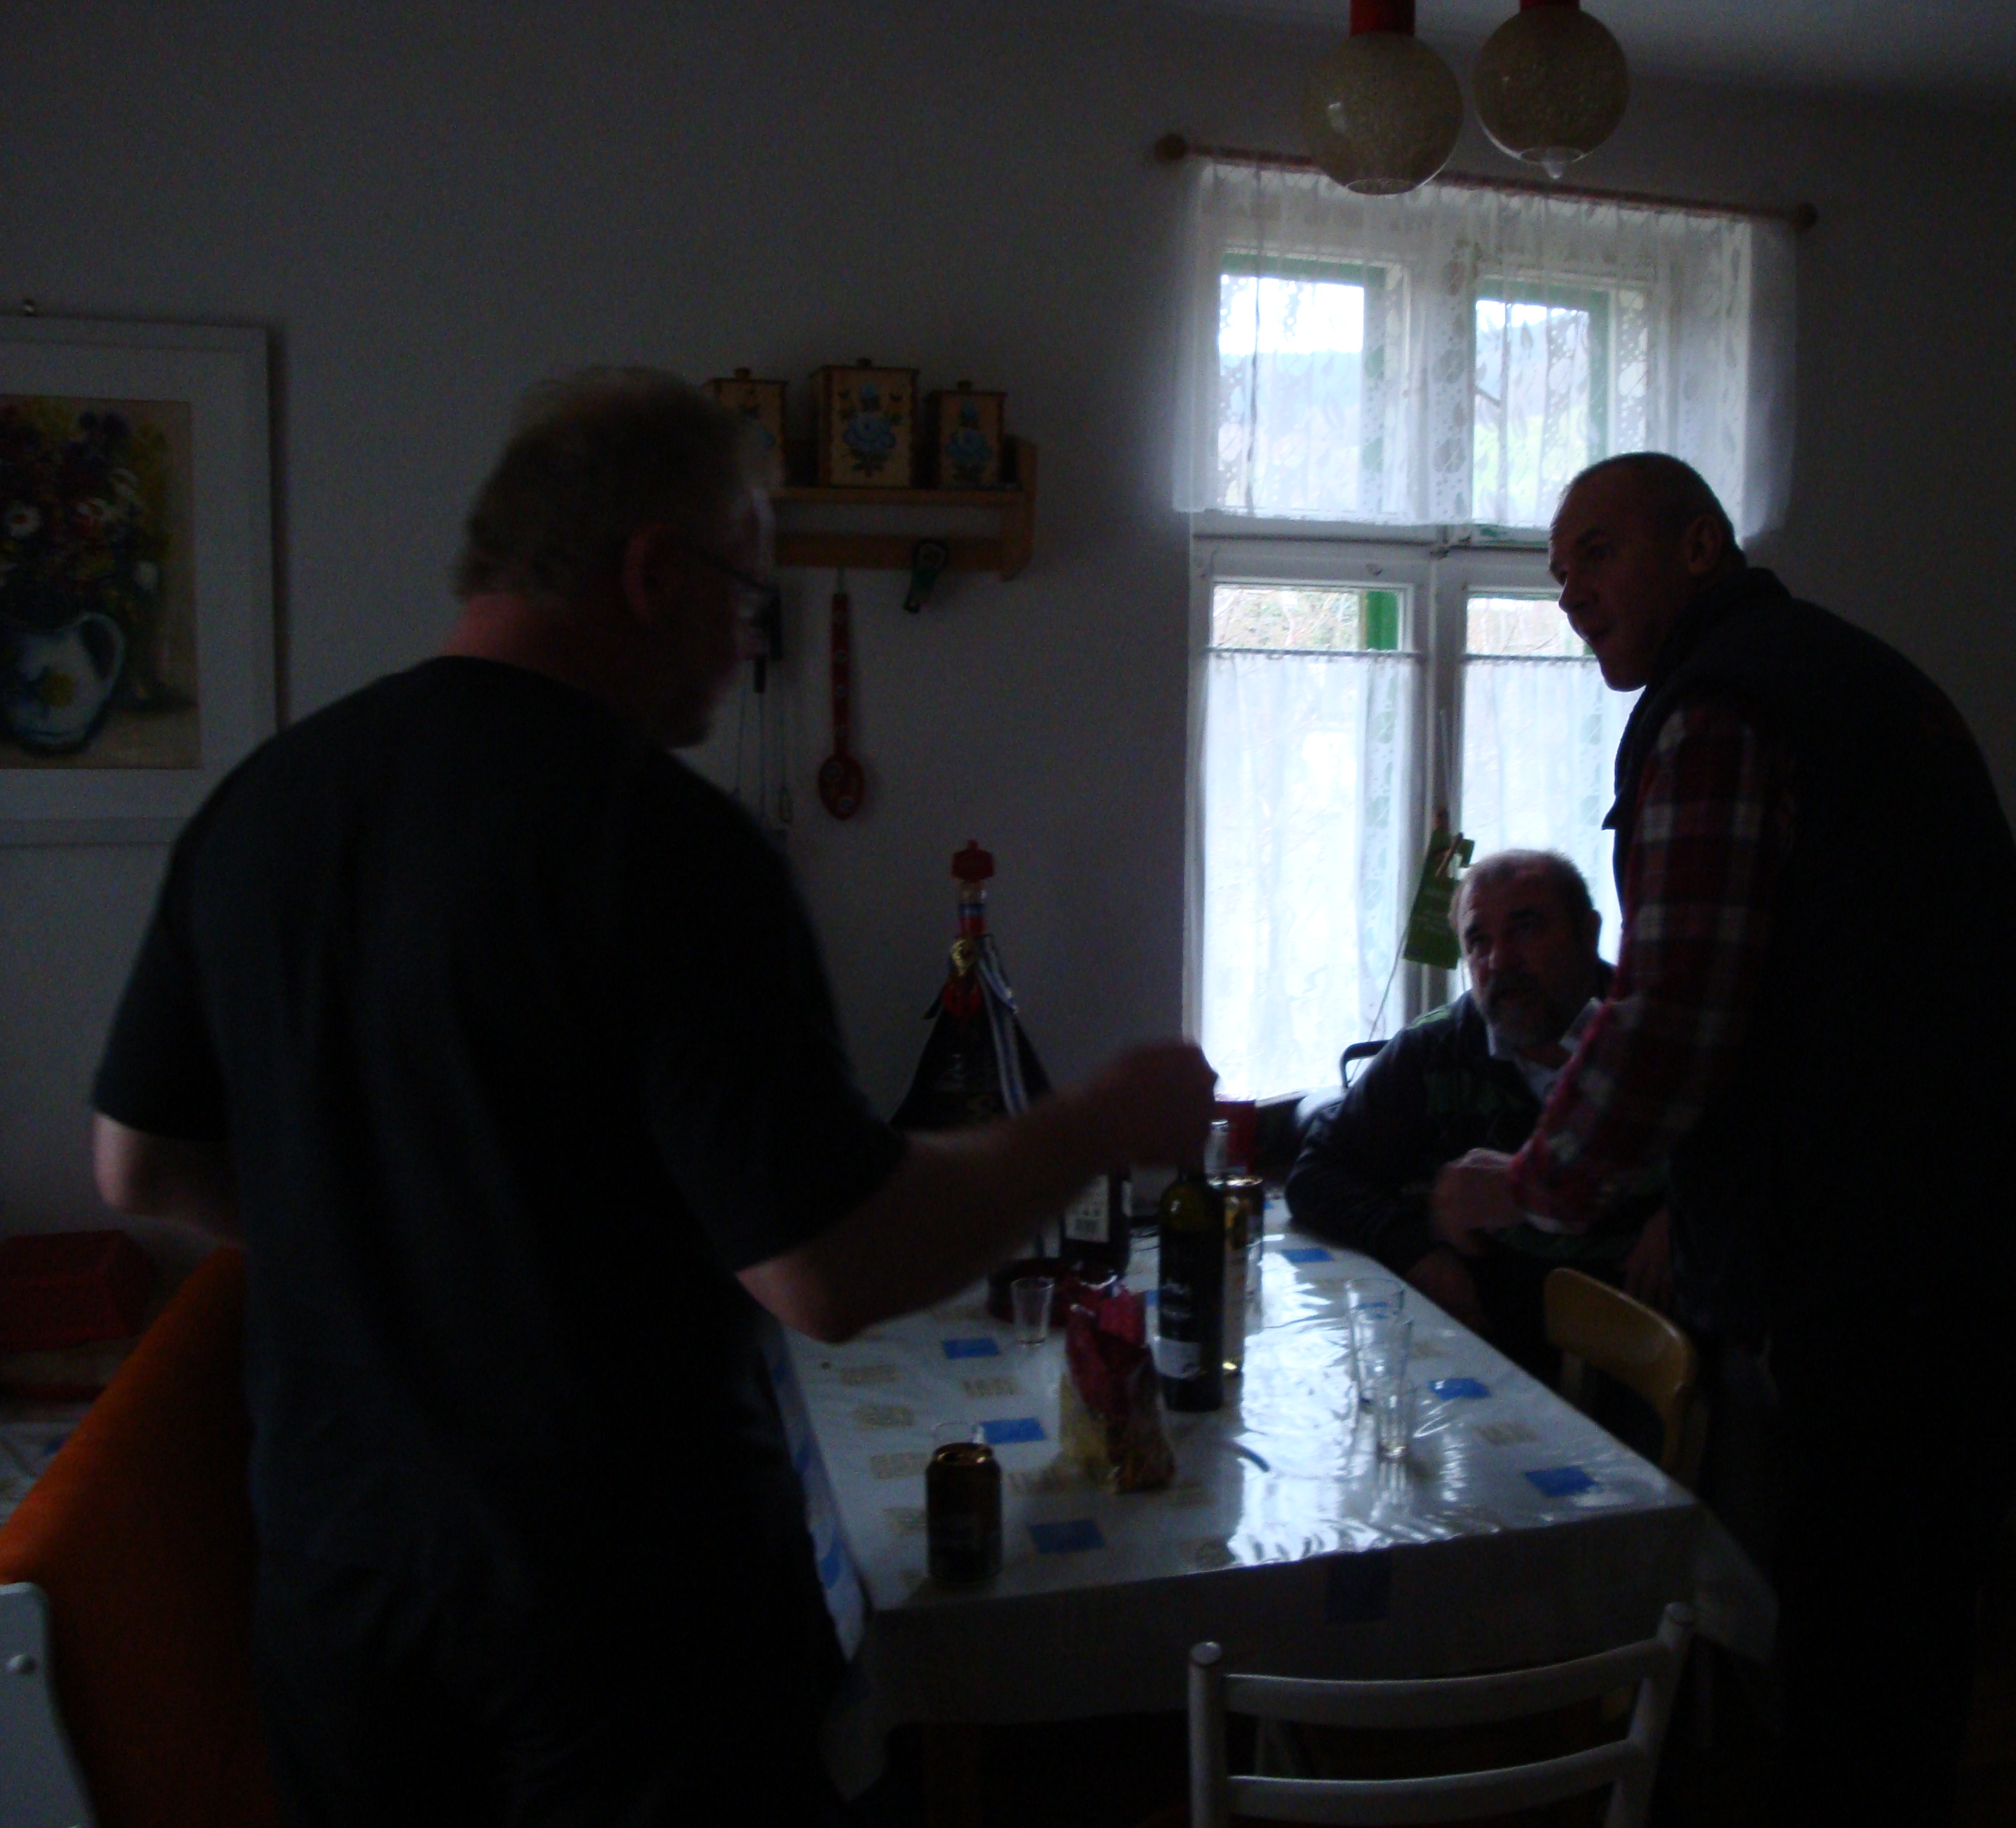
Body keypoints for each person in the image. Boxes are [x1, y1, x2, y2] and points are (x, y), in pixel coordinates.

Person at [88, 370, 1215, 1828]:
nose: (750, 640)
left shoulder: (263, 806)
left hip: (336, 1591)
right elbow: (830, 1266)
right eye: (748, 594)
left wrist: (379, 1231)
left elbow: (140, 1167)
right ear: (651, 573)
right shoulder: (664, 844)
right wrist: (1097, 1123)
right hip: (621, 1619)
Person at [1429, 453, 2016, 1827]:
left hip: (1899, 1258)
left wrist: (1526, 1183)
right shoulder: (1850, 675)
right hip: (1985, 1235)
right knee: (1902, 1635)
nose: (1571, 593)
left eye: (1598, 553)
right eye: (1557, 573)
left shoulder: (1722, 707)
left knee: (1860, 1647)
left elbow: (1677, 1007)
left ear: (1700, 546)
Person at [1284, 849, 1666, 1380]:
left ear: (1589, 933)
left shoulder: (1663, 1037)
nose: (1500, 961)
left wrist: (1686, 1213)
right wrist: (1418, 1252)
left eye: (1526, 929)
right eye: (1479, 941)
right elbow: (1315, 1175)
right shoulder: (1434, 1050)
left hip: (1643, 1362)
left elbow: (1754, 1163)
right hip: (1491, 1360)